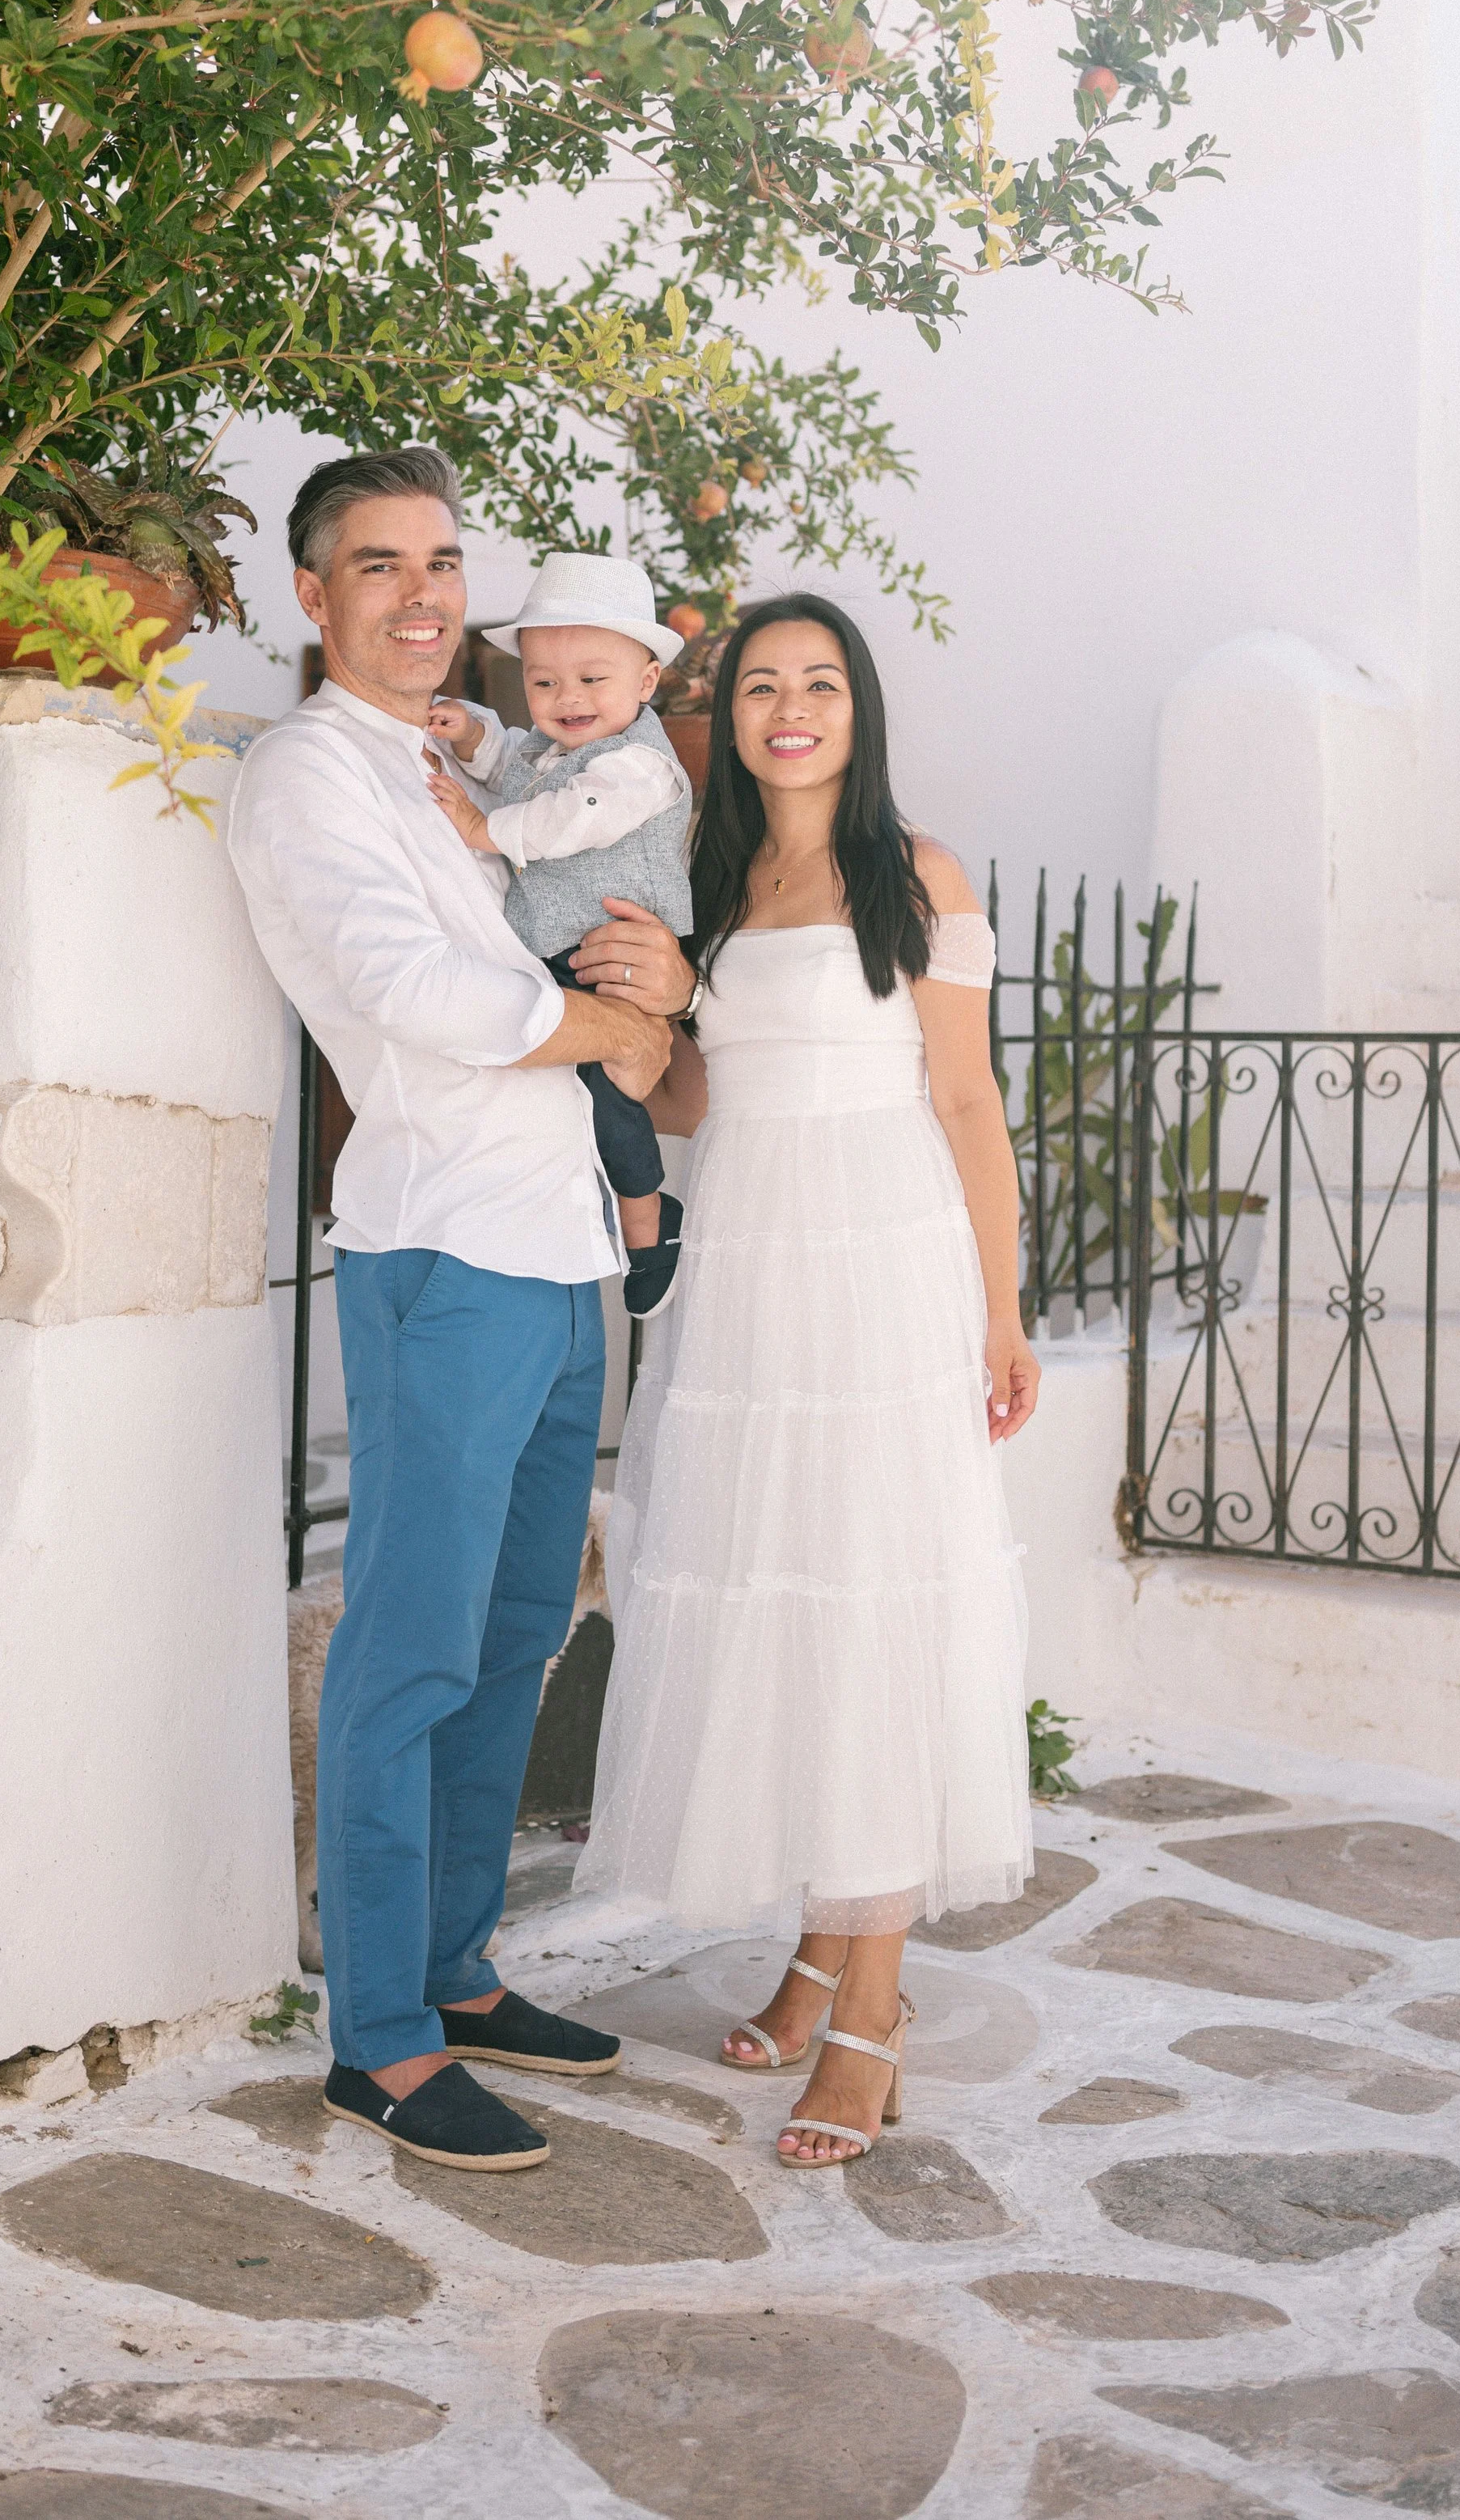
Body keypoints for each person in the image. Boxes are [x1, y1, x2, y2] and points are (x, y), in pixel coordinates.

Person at [226, 447, 695, 2174]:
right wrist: (617, 1035)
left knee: (515, 1637)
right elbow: (417, 993)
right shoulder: (303, 778)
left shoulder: (475, 761)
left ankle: (457, 1967)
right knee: (409, 1650)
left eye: (439, 562)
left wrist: (652, 1000)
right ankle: (382, 2038)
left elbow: (598, 954)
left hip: (563, 1245)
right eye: (376, 565)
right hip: (442, 1255)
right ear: (314, 595)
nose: (420, 595)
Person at [576, 591, 1041, 2166]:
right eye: (759, 683)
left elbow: (968, 1105)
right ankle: (813, 1947)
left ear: (859, 709)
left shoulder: (916, 877)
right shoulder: (710, 878)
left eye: (817, 683)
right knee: (777, 1604)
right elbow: (701, 1095)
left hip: (887, 1276)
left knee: (875, 1612)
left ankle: (870, 2017)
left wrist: (1003, 1312)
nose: (786, 708)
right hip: (754, 1282)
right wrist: (653, 997)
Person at [425, 552, 695, 1319]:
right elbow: (511, 758)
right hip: (556, 957)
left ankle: (649, 1224)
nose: (565, 698)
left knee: (606, 1096)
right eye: (544, 683)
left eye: (591, 679)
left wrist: (484, 829)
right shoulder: (552, 751)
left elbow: (573, 815)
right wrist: (470, 731)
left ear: (645, 684)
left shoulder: (639, 767)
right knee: (551, 1096)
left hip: (613, 962)